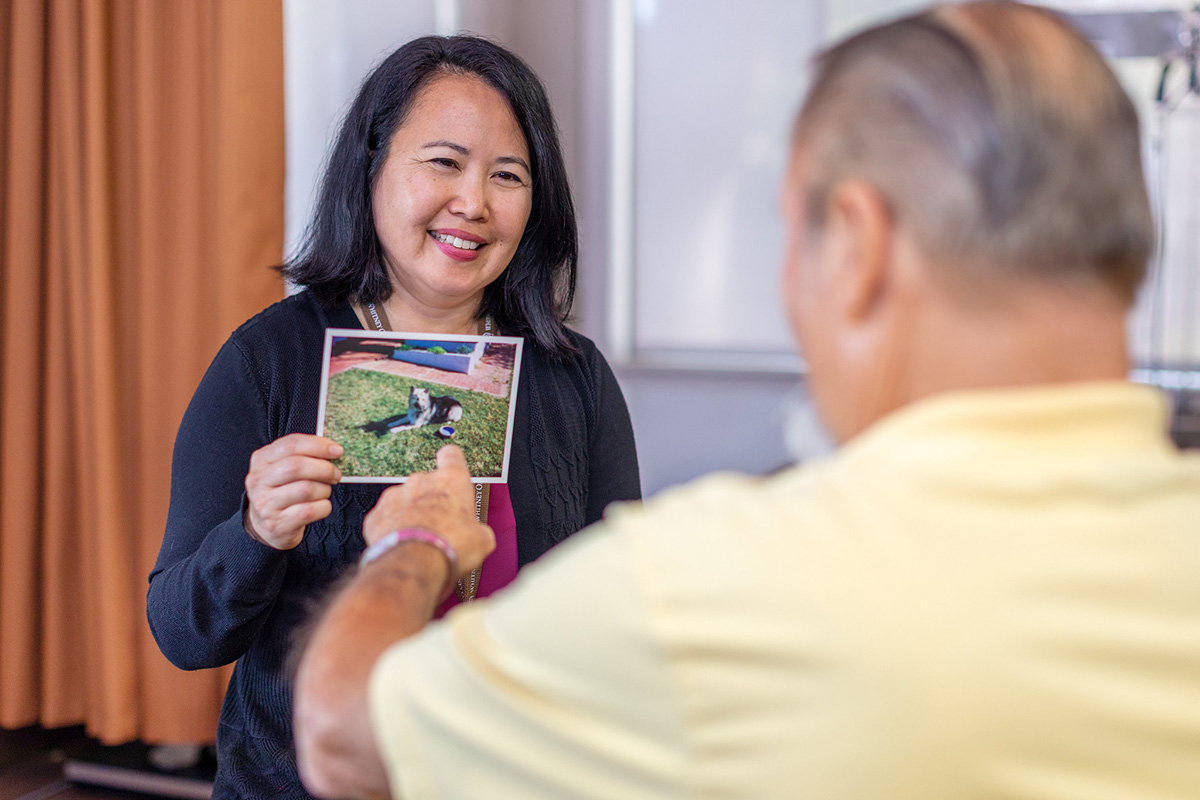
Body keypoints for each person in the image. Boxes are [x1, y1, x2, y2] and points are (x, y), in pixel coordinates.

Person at [293, 2, 1200, 798]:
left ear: (857, 246)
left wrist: (414, 545)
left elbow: (343, 733)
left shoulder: (700, 590)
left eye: (793, 233)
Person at [146, 35, 640, 800]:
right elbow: (183, 633)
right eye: (444, 162)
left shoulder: (572, 377)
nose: (473, 203)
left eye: (507, 175)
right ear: (371, 167)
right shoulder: (269, 360)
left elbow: (620, 615)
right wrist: (255, 532)